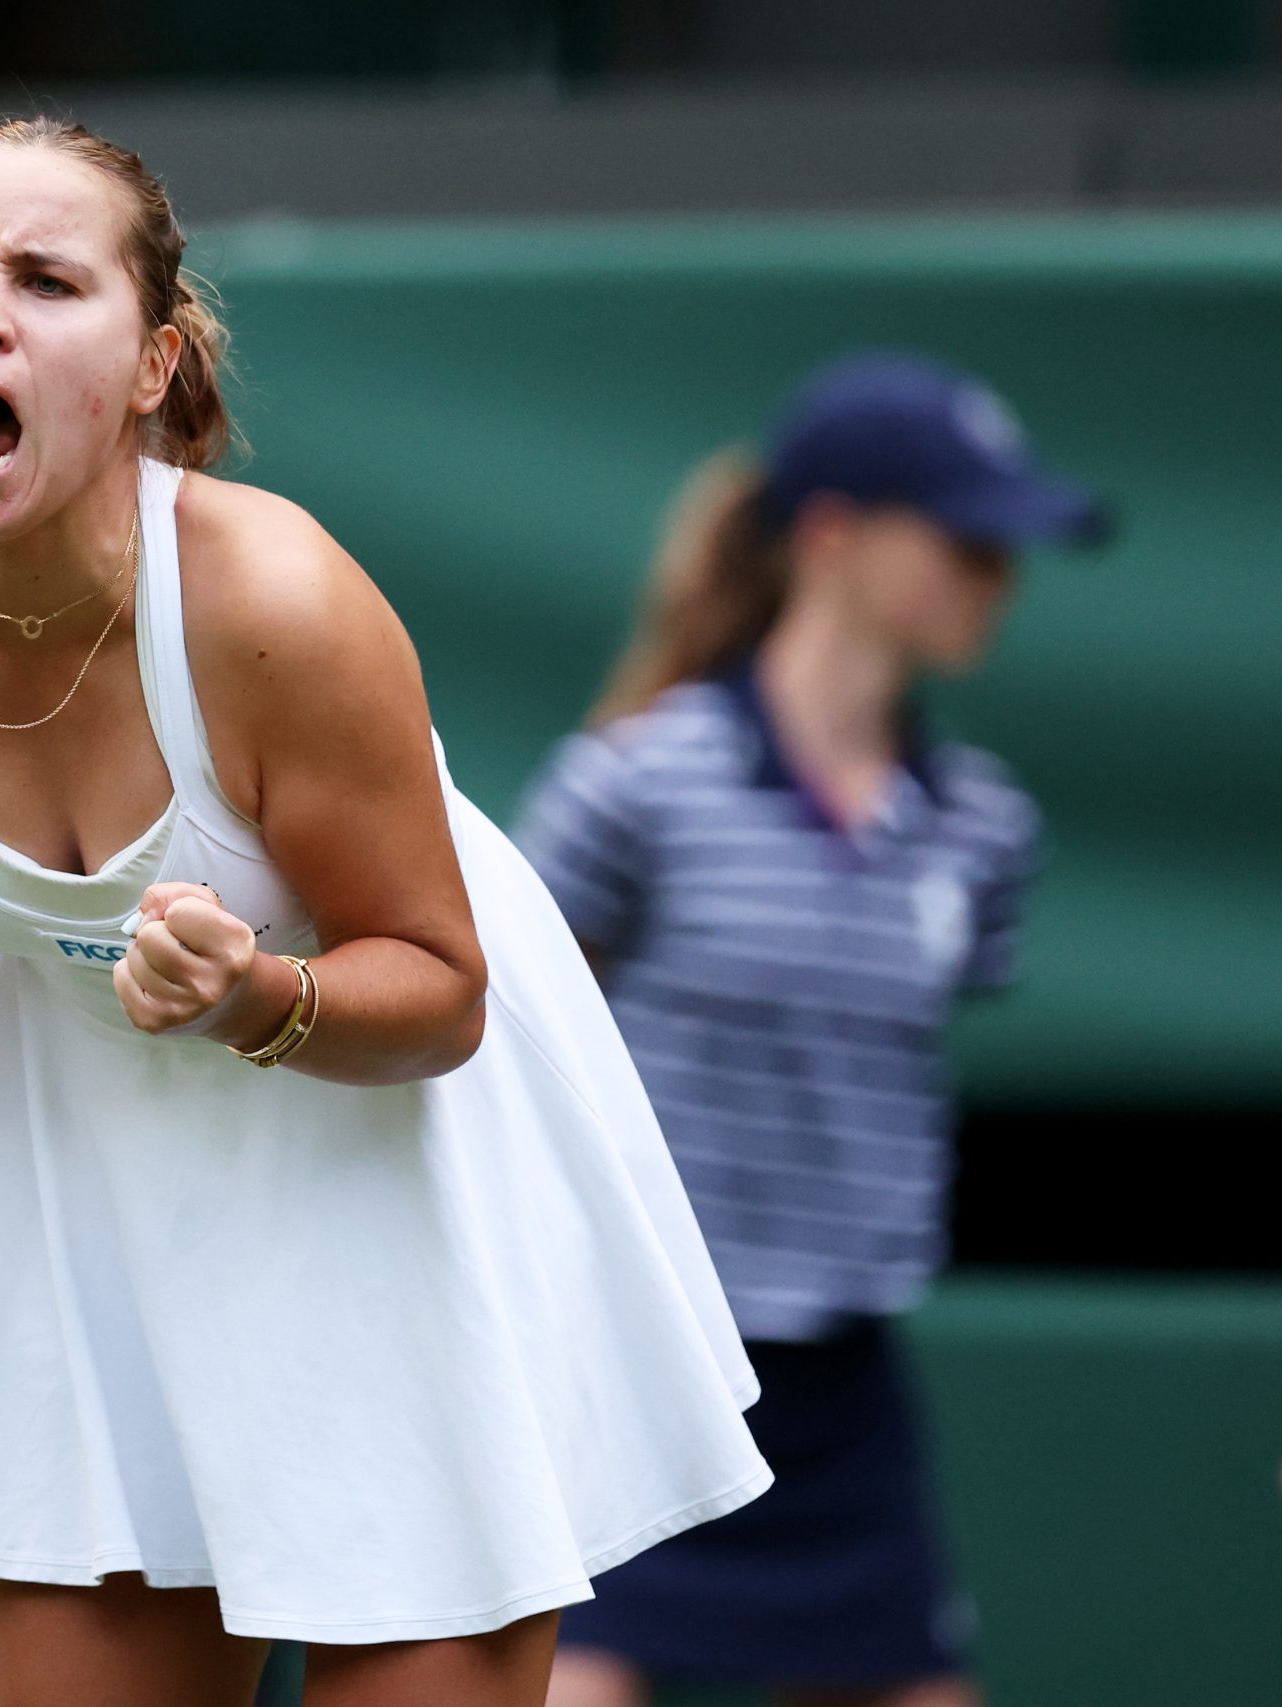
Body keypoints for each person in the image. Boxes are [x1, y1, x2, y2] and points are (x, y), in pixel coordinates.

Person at [0, 116, 770, 1707]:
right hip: (105, 1211)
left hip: (405, 1185)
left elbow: (443, 989)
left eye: (47, 280)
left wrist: (259, 994)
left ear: (149, 366)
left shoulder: (279, 609)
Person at [515, 352, 1107, 1707]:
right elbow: (509, 1026)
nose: (997, 577)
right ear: (832, 536)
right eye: (966, 541)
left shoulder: (985, 829)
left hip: (845, 1397)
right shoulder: (637, 784)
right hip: (635, 1370)